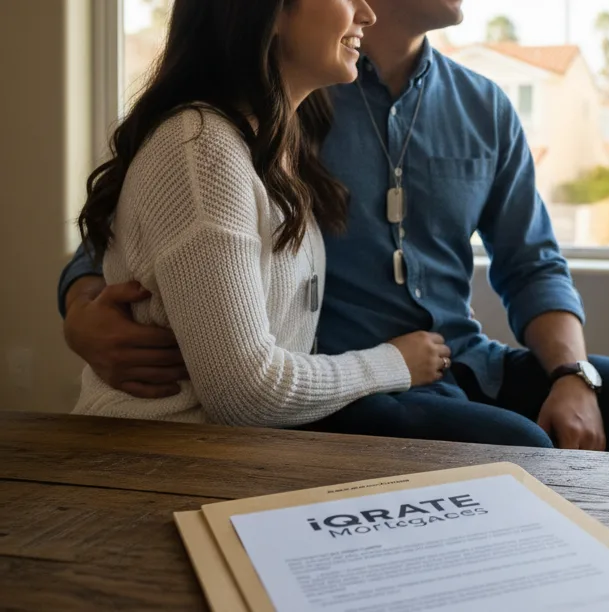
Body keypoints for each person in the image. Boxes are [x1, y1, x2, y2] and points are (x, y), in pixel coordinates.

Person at [60, 0, 609, 457]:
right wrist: (81, 306)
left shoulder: (482, 107)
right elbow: (137, 238)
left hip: (463, 361)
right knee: (528, 454)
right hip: (337, 381)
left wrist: (572, 375)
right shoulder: (288, 100)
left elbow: (533, 265)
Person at [68, 0, 455, 427]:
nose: (367, 14)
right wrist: (395, 363)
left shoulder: (271, 144)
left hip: (249, 447)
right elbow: (247, 395)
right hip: (161, 461)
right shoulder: (202, 150)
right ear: (269, 12)